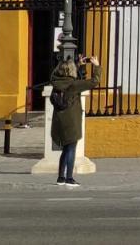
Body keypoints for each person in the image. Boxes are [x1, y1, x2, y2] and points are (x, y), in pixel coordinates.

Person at [50, 55, 100, 188]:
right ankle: (69, 178)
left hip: (59, 120)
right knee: (71, 148)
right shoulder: (74, 85)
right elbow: (95, 81)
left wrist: (77, 64)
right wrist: (96, 66)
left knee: (65, 149)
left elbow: (64, 74)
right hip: (71, 120)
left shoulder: (55, 83)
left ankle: (60, 177)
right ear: (71, 71)